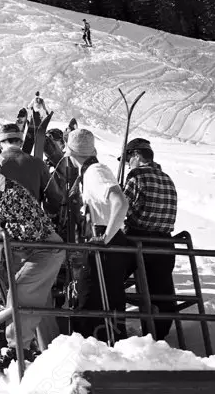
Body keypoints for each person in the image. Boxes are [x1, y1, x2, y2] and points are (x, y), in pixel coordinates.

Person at [0, 141, 64, 362]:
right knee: (34, 302)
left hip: (44, 248)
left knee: (19, 293)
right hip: (23, 252)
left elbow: (34, 229)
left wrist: (0, 231)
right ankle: (51, 352)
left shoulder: (12, 191)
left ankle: (18, 351)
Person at [64, 128, 130, 341]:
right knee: (99, 303)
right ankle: (103, 352)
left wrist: (105, 238)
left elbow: (120, 203)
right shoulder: (91, 171)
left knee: (92, 303)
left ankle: (97, 354)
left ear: (71, 154)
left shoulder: (95, 172)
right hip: (103, 240)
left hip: (104, 241)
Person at [119, 138, 178, 341]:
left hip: (139, 239)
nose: (128, 164)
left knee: (112, 278)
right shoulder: (167, 177)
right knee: (160, 291)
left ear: (136, 155)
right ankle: (158, 335)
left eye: (128, 159)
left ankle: (113, 326)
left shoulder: (137, 176)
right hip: (165, 244)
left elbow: (122, 208)